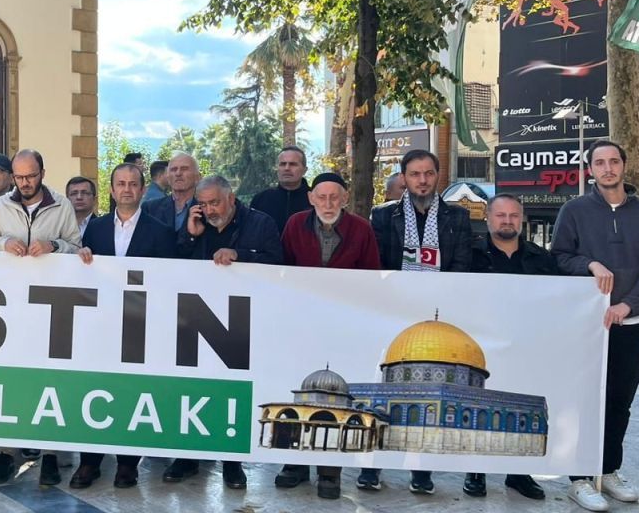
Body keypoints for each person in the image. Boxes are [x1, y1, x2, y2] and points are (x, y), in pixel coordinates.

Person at [552, 140, 639, 512]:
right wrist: (590, 265)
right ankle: (580, 478)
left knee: (619, 402)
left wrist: (629, 304)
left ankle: (608, 469)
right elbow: (560, 257)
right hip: (589, 325)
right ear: (590, 170)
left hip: (632, 322)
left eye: (614, 161)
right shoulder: (574, 211)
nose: (608, 168)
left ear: (624, 166)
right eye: (600, 162)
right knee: (586, 400)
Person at [366, 149, 472, 494]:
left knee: (428, 395)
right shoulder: (382, 216)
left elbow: (462, 265)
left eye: (428, 173)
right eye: (415, 174)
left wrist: (437, 301)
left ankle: (421, 470)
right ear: (404, 178)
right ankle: (373, 465)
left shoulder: (457, 216)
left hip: (438, 318)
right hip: (393, 313)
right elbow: (378, 265)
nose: (422, 180)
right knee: (383, 391)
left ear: (437, 176)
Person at [166, 173, 281, 491]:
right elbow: (173, 265)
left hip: (240, 322)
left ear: (231, 198)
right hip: (196, 319)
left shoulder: (261, 223)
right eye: (202, 203)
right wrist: (190, 236)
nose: (209, 209)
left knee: (231, 392)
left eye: (214, 202)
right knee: (191, 390)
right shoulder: (196, 224)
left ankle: (232, 463)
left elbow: (278, 262)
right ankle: (187, 457)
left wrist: (241, 258)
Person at [69, 163, 175, 490]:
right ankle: (89, 461)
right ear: (112, 190)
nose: (127, 189)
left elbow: (171, 281)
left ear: (143, 190)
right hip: (100, 325)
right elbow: (82, 276)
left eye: (133, 184)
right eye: (120, 184)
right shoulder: (95, 230)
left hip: (140, 325)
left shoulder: (161, 231)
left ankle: (128, 464)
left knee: (131, 391)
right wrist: (81, 254)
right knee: (96, 388)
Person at [0, 149, 82, 486]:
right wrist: (4, 243)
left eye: (31, 176)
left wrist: (53, 245)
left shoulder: (62, 206)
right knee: (11, 381)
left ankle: (50, 454)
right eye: (20, 176)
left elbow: (75, 246)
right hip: (9, 308)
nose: (25, 183)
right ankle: (7, 452)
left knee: (51, 380)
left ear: (42, 172)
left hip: (51, 307)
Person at [275, 172, 379, 499]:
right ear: (311, 198)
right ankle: (295, 464)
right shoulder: (294, 225)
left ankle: (330, 472)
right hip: (301, 324)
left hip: (342, 327)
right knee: (300, 393)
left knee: (335, 394)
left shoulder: (362, 229)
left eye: (335, 197)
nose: (328, 203)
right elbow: (282, 270)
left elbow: (372, 277)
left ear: (345, 199)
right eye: (322, 197)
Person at [460, 194, 552, 501]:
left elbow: (562, 299)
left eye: (514, 215)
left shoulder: (541, 259)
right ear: (488, 219)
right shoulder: (469, 255)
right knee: (480, 406)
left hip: (526, 345)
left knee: (521, 407)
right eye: (501, 215)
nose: (508, 221)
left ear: (522, 220)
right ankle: (476, 470)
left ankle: (518, 474)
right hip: (481, 344)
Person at [250, 145, 312, 231]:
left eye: (293, 164)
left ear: (304, 170)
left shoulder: (316, 199)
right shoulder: (261, 199)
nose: (287, 168)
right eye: (282, 164)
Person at [144, 153, 201, 232]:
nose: (178, 173)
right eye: (173, 169)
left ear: (197, 177)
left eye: (184, 169)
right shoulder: (150, 209)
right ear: (167, 176)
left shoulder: (206, 210)